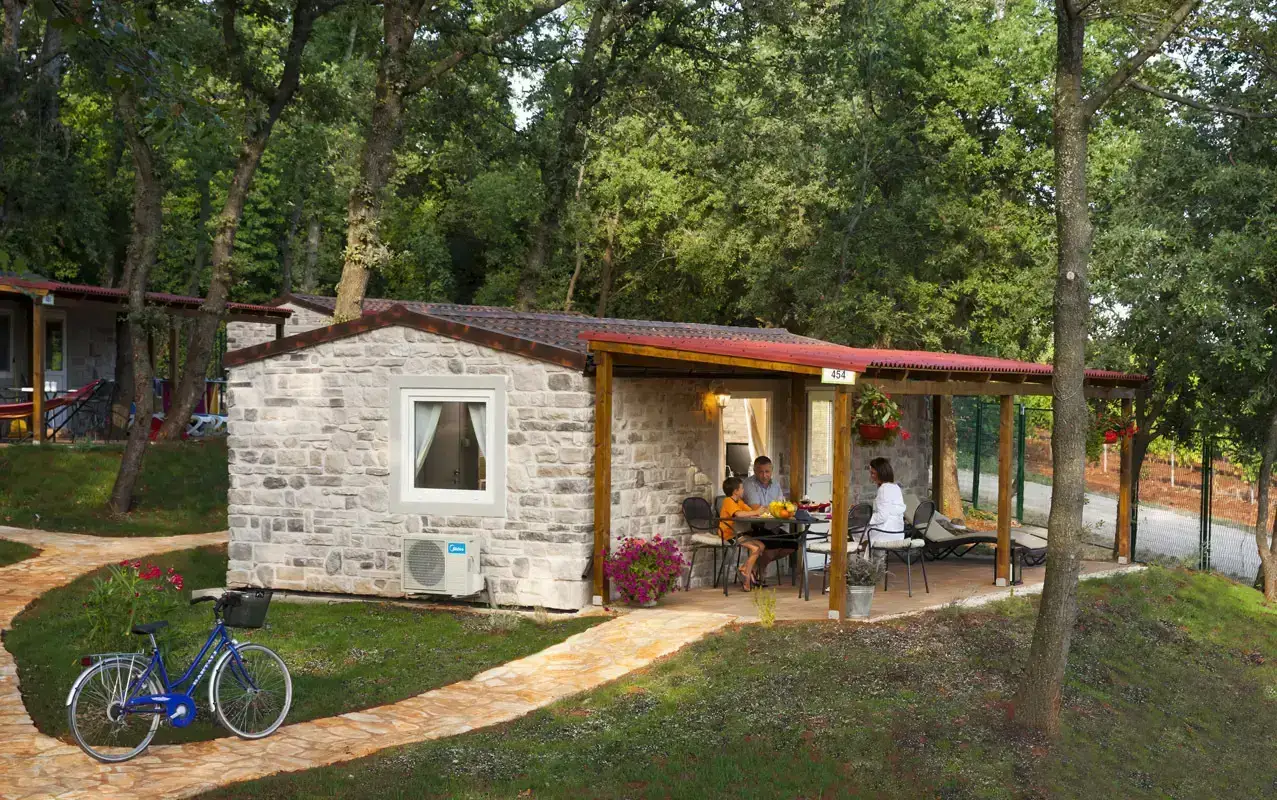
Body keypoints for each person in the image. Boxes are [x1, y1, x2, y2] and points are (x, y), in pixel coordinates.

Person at [741, 455, 796, 580]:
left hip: (772, 525)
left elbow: (781, 506)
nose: (764, 475)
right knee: (773, 544)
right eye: (761, 472)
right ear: (755, 471)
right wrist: (776, 509)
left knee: (792, 544)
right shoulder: (749, 484)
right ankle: (757, 569)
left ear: (772, 470)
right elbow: (756, 509)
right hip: (754, 526)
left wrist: (777, 509)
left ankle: (756, 566)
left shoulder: (775, 484)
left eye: (767, 471)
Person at [718, 476, 767, 590]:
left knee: (761, 546)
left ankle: (744, 569)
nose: (743, 490)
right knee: (755, 549)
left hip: (739, 533)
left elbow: (750, 511)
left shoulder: (739, 501)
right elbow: (738, 514)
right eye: (742, 488)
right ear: (736, 491)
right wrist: (755, 512)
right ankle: (747, 578)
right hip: (729, 534)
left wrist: (760, 511)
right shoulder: (728, 501)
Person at [866, 457, 906, 545]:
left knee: (856, 530)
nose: (871, 476)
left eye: (873, 473)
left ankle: (862, 553)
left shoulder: (884, 489)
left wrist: (866, 520)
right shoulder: (895, 487)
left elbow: (882, 516)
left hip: (885, 534)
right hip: (898, 533)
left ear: (881, 473)